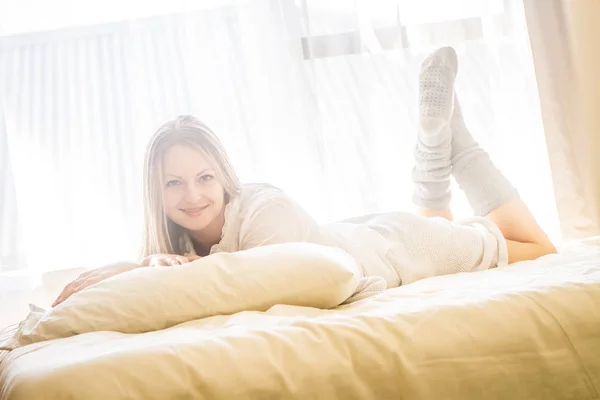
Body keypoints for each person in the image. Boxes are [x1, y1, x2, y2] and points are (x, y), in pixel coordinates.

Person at [53, 47, 556, 307]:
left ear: (224, 173)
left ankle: (445, 143)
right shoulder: (177, 242)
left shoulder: (264, 209)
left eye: (205, 177)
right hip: (379, 236)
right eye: (173, 183)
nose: (193, 195)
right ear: (154, 192)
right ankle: (434, 143)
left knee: (539, 248)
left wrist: (132, 268)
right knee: (446, 220)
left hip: (401, 249)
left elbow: (247, 283)